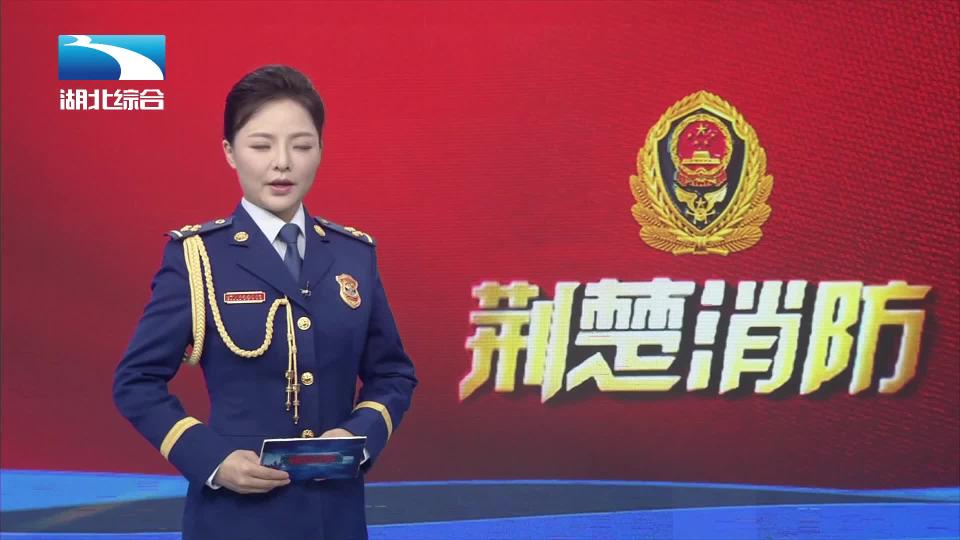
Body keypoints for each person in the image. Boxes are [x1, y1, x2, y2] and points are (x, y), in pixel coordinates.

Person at [113, 64, 417, 540]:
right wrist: (212, 460)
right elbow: (136, 382)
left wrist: (358, 437)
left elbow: (393, 374)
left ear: (321, 150)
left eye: (302, 145)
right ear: (230, 153)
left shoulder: (353, 255)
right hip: (235, 517)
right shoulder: (198, 257)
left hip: (335, 518)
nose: (283, 163)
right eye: (261, 146)